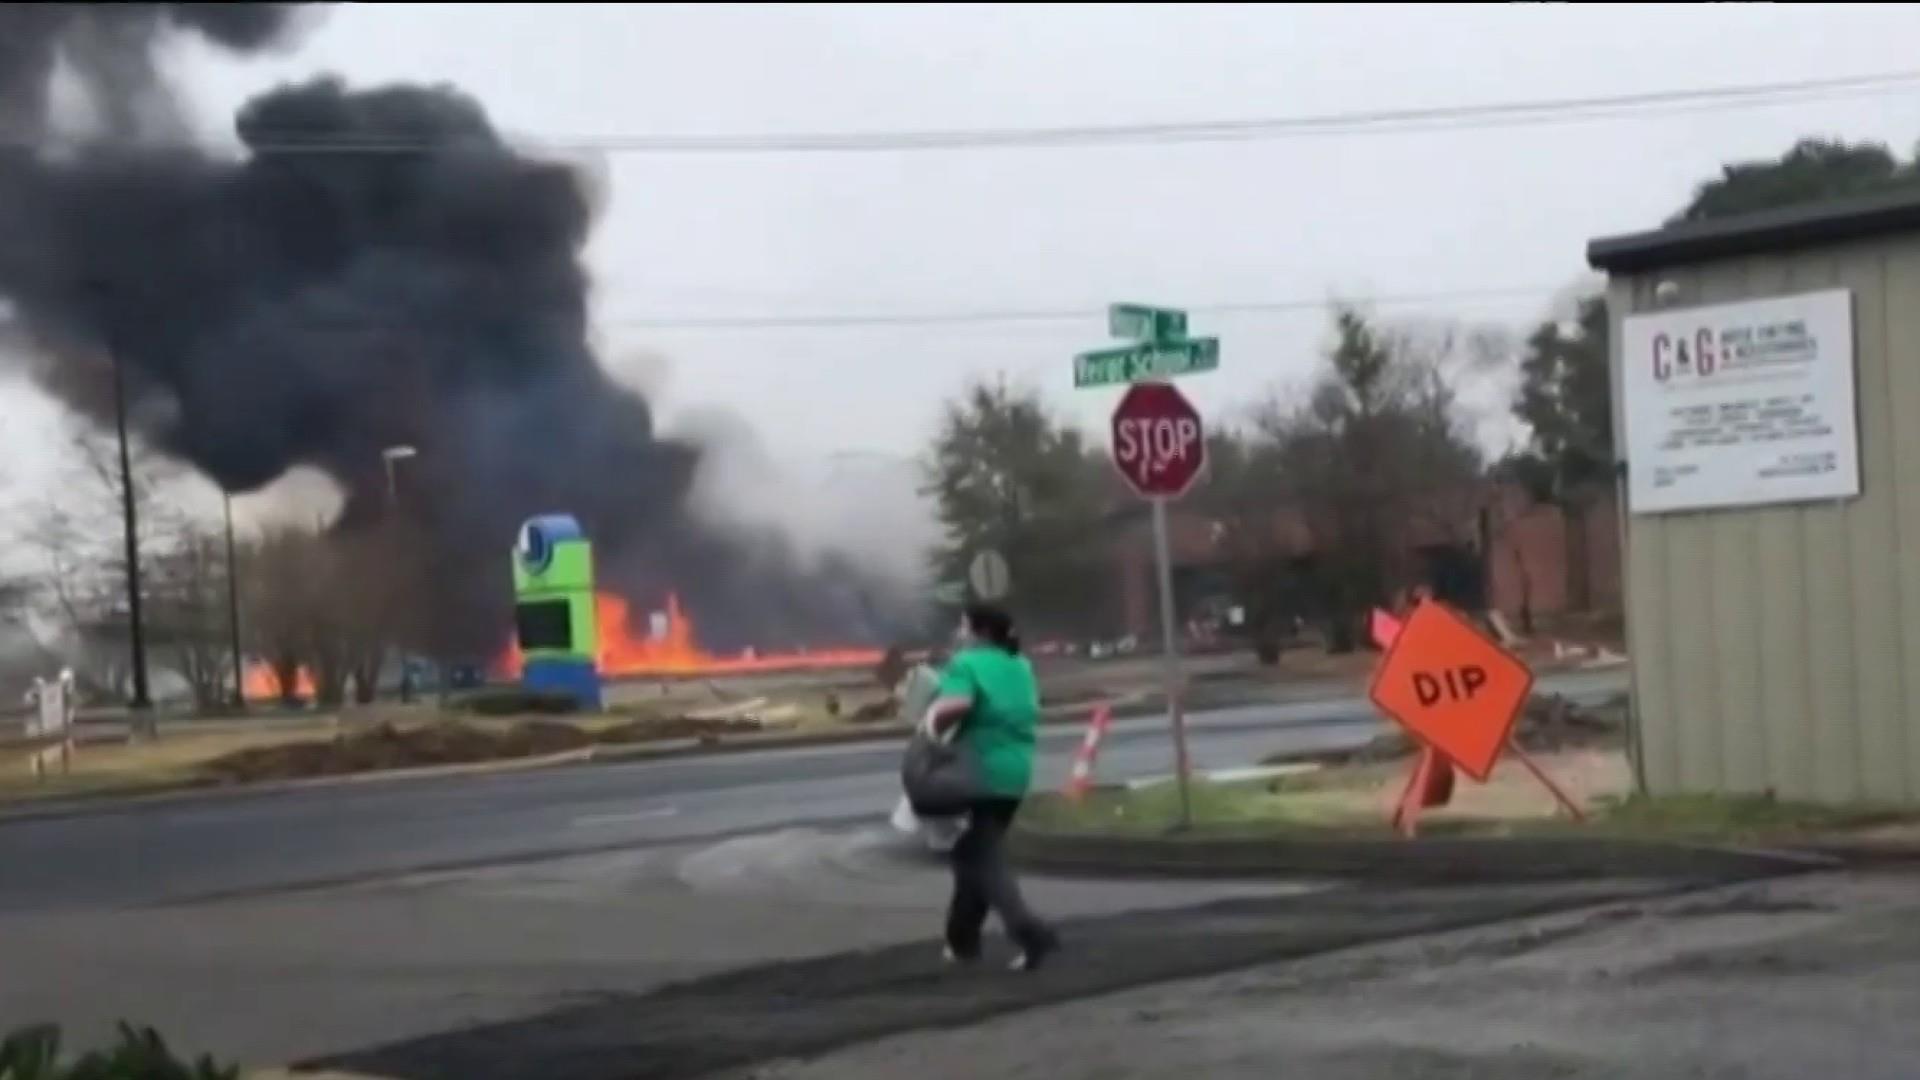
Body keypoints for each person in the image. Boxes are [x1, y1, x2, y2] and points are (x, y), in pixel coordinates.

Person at [922, 604, 1059, 971]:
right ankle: (962, 942)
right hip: (1014, 774)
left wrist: (930, 731)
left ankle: (1029, 930)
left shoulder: (966, 664)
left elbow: (957, 705)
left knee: (981, 859)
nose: (959, 632)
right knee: (974, 855)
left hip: (976, 772)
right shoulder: (1021, 665)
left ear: (978, 631)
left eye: (963, 626)